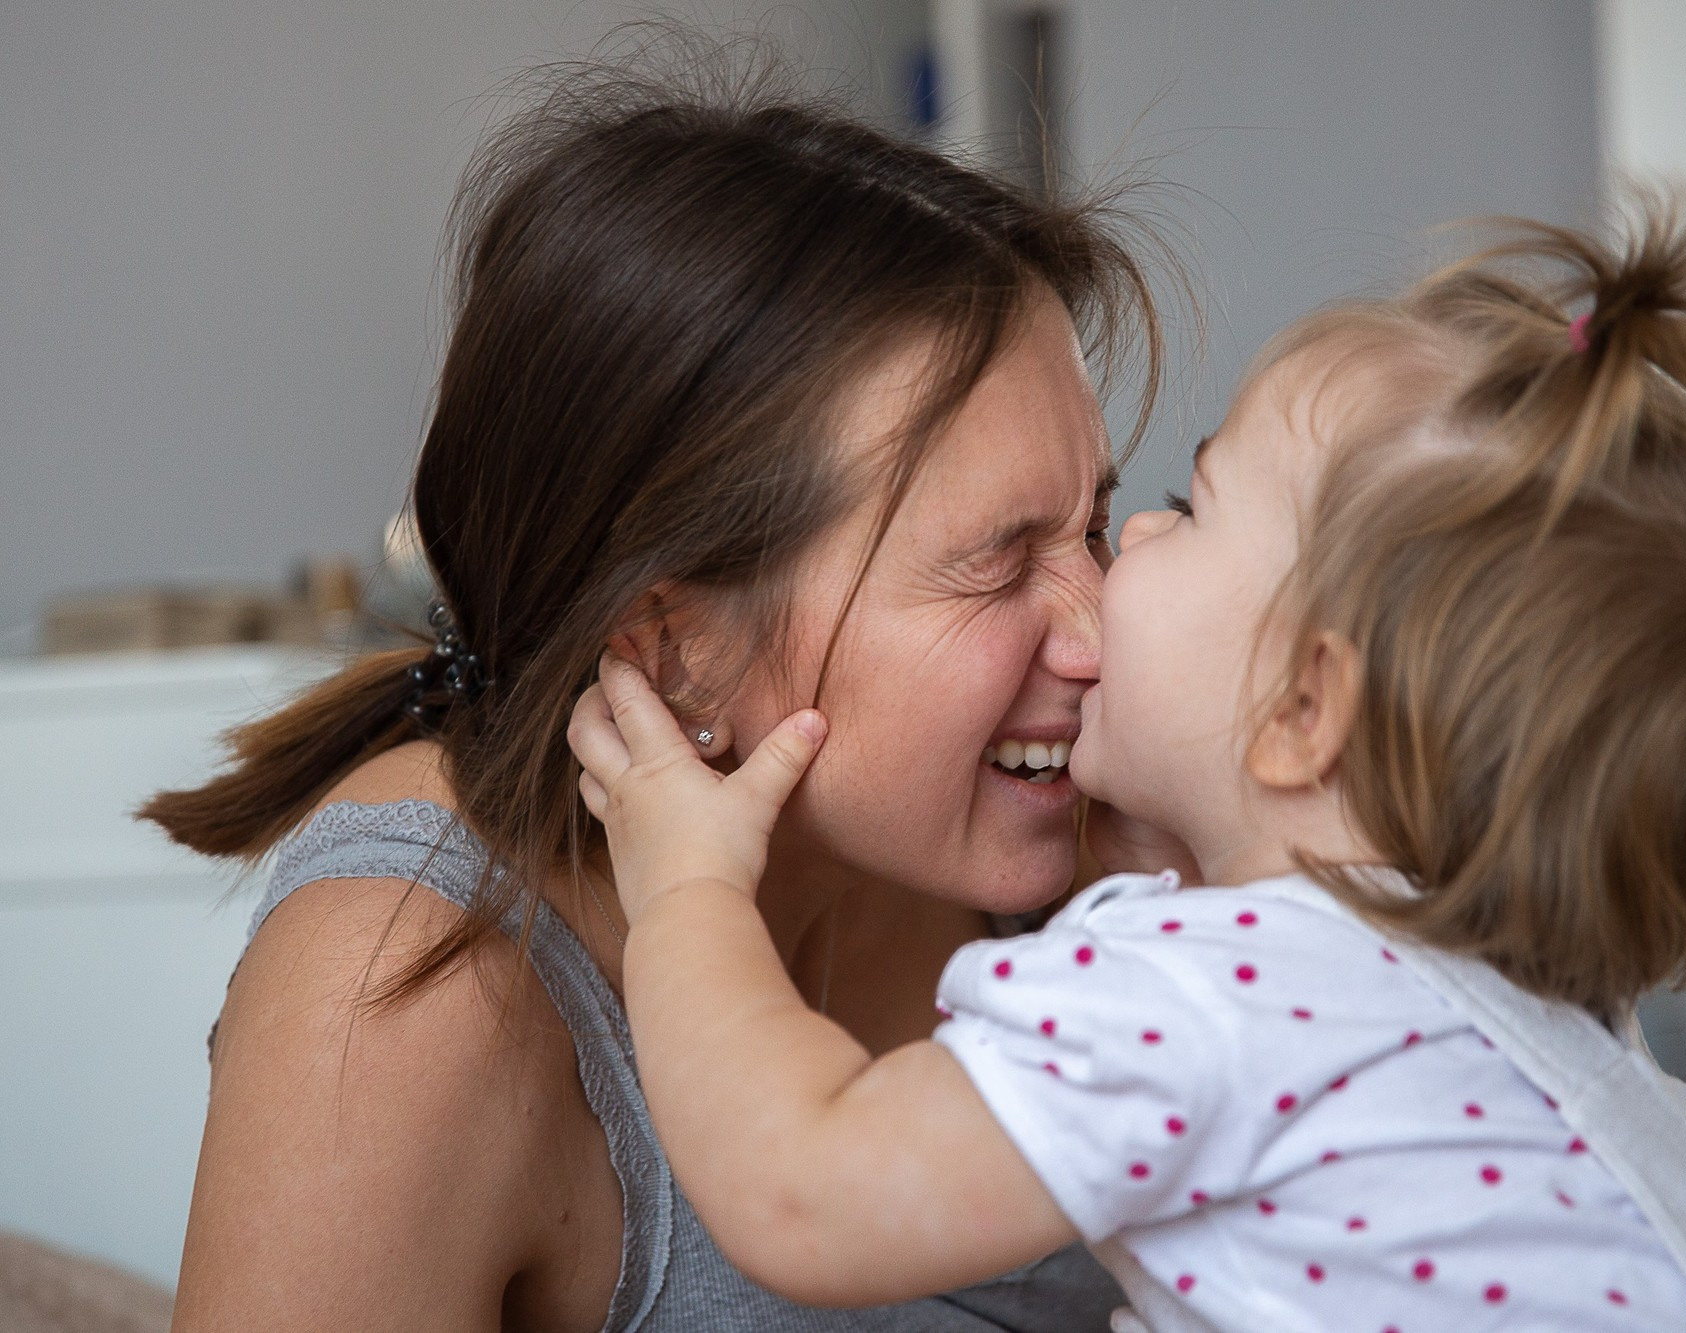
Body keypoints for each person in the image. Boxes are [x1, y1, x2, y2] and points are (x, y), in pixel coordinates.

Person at [568, 196, 1686, 1332]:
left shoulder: (1196, 996)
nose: (1123, 563)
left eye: (1185, 502)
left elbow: (808, 1187)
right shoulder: (1526, 1010)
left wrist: (689, 883)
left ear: (1306, 709)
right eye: (1011, 553)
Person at [142, 33, 1164, 1332]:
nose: (1099, 629)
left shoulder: (1099, 852)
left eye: (1092, 525)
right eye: (997, 560)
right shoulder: (407, 988)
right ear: (668, 647)